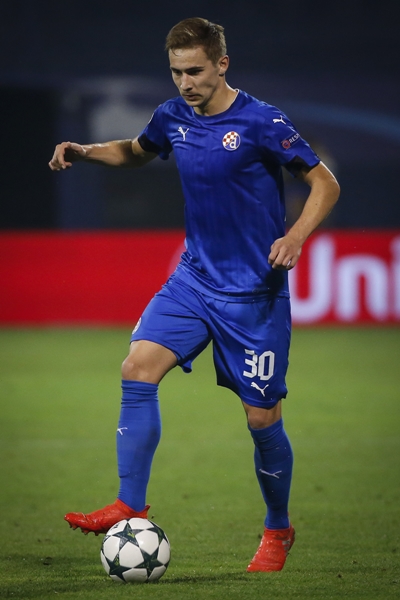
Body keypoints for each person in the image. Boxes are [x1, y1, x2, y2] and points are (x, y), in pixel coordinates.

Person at [49, 17, 340, 573]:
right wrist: (86, 151)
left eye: (196, 71)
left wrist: (296, 235)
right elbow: (137, 151)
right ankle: (129, 504)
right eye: (176, 72)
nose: (185, 83)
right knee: (137, 368)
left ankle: (278, 528)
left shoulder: (262, 121)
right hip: (193, 281)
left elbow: (325, 181)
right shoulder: (172, 116)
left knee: (262, 419)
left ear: (222, 64)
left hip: (254, 296)